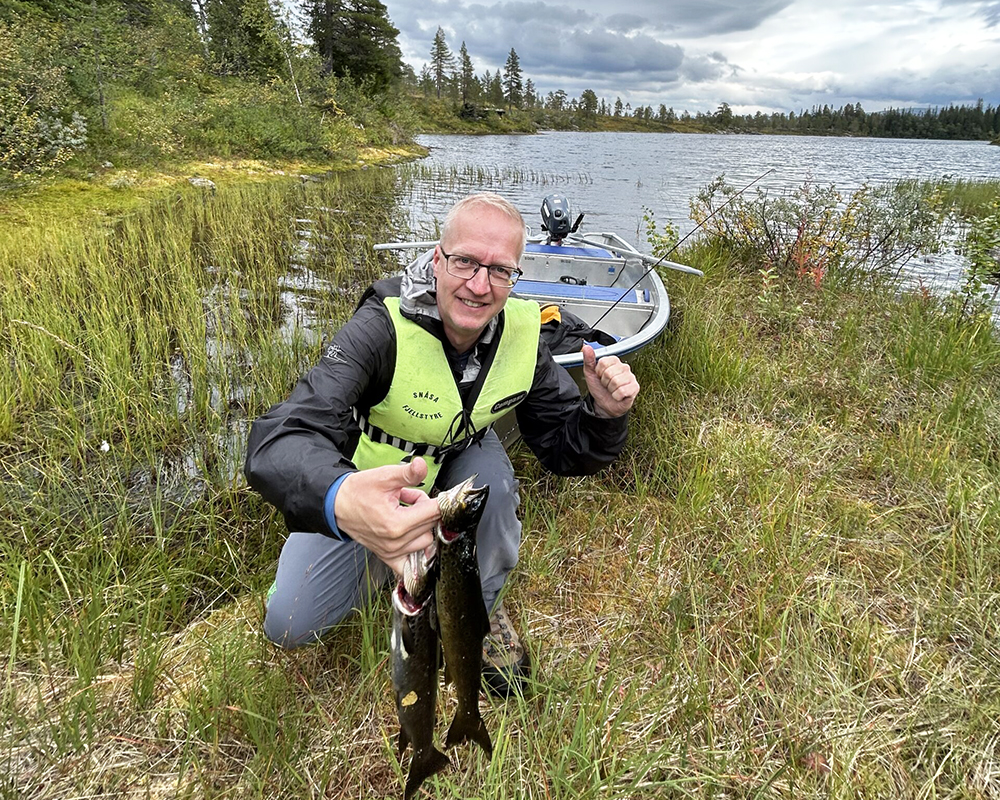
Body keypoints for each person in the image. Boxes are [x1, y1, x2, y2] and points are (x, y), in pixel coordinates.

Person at [244, 192, 639, 696]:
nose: (480, 285)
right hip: (369, 478)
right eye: (465, 262)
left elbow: (563, 444)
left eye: (500, 270)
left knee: (494, 484)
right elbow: (283, 436)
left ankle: (481, 606)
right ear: (437, 259)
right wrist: (343, 499)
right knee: (290, 624)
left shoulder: (523, 334)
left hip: (458, 462)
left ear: (516, 276)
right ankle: (392, 558)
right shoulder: (379, 328)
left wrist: (603, 414)